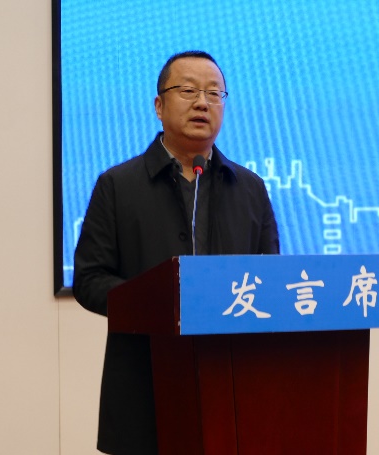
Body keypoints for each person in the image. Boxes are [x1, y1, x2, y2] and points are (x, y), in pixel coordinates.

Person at [73, 50, 280, 455]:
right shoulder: (117, 185)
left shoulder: (250, 188)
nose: (202, 102)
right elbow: (90, 280)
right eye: (188, 90)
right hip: (144, 384)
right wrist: (158, 304)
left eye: (214, 93)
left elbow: (270, 279)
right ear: (159, 106)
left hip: (233, 387)